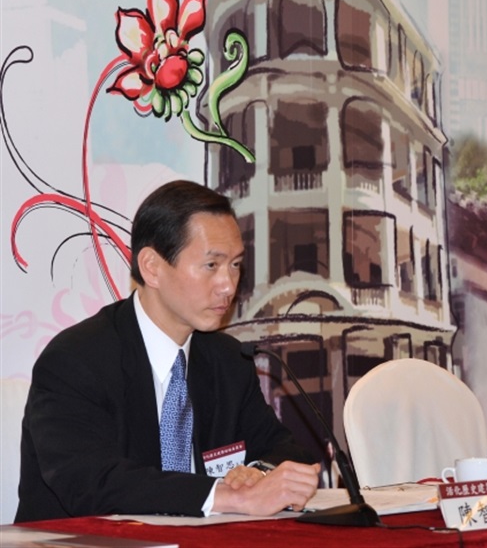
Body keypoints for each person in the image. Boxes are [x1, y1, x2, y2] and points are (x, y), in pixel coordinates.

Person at [16, 180, 321, 522]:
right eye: (211, 265)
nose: (228, 285)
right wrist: (222, 495)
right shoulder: (76, 360)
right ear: (152, 267)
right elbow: (89, 482)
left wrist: (258, 474)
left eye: (235, 265)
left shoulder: (227, 360)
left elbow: (283, 449)